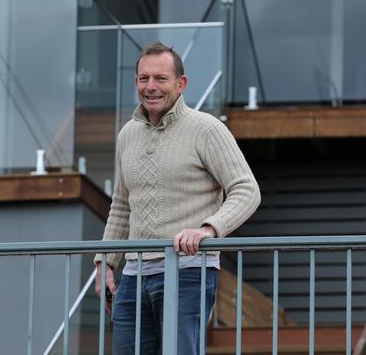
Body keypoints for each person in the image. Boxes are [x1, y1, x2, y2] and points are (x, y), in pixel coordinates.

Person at [94, 41, 260, 354]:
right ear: (136, 83)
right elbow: (121, 204)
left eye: (161, 79)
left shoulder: (206, 129)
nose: (151, 87)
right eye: (144, 79)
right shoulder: (126, 134)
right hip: (133, 274)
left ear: (181, 84)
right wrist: (105, 263)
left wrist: (209, 229)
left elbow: (246, 189)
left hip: (188, 271)